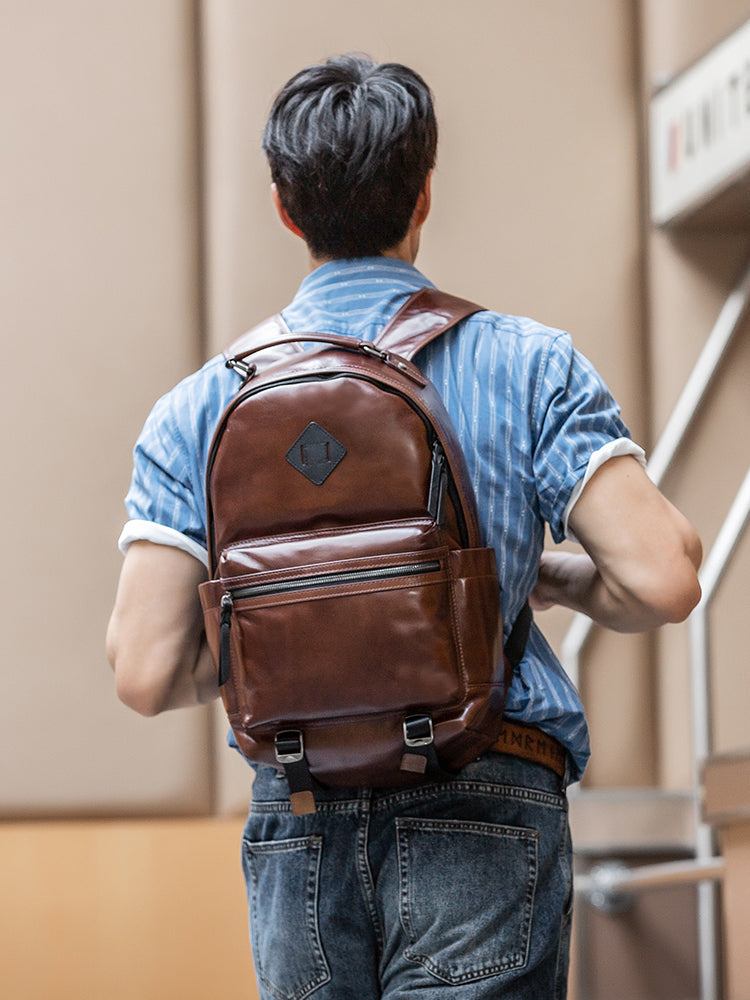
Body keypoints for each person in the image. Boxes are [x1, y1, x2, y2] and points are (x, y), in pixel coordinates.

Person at [106, 53, 702, 999]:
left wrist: (302, 634)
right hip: (486, 795)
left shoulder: (198, 408)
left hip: (299, 817)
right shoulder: (527, 365)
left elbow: (143, 673)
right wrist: (541, 578)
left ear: (284, 208)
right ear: (424, 193)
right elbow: (664, 578)